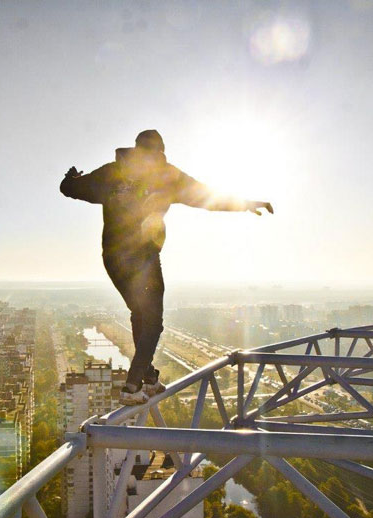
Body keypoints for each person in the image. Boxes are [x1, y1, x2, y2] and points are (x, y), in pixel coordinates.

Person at [60, 129, 273, 405]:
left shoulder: (113, 173)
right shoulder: (166, 176)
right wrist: (244, 204)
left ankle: (147, 377)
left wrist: (71, 178)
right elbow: (206, 197)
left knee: (140, 314)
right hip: (143, 257)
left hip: (113, 258)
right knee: (152, 320)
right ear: (159, 152)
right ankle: (132, 386)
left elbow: (71, 190)